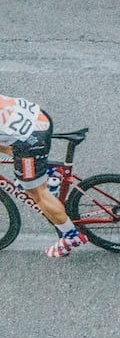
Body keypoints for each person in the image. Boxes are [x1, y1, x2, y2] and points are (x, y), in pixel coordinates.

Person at [0, 94, 88, 258]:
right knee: (14, 148)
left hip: (31, 140)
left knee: (36, 193)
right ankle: (40, 170)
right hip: (39, 118)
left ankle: (71, 236)